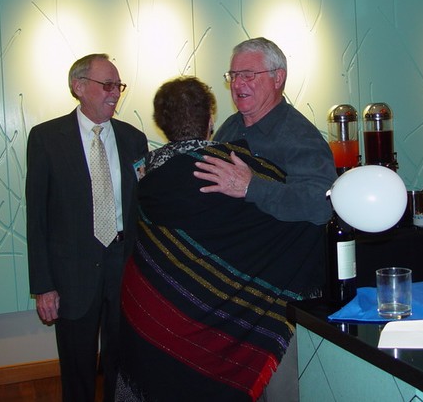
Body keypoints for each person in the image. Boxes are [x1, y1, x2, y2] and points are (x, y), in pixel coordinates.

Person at [115, 77, 326, 402]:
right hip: (228, 319)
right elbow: (305, 215)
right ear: (211, 121)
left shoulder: (146, 177)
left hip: (160, 312)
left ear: (161, 124)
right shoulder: (236, 168)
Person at [194, 37, 337, 401]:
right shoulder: (229, 129)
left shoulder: (300, 136)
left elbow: (321, 204)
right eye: (233, 75)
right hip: (235, 293)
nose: (238, 84)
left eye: (249, 75)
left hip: (280, 301)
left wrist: (252, 187)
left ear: (278, 77)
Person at [26, 53, 148, 402]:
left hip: (123, 267)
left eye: (118, 86)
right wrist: (44, 286)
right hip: (72, 274)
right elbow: (37, 218)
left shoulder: (133, 139)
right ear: (79, 86)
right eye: (107, 85)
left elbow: (142, 209)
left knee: (120, 362)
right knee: (77, 368)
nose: (115, 93)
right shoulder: (47, 139)